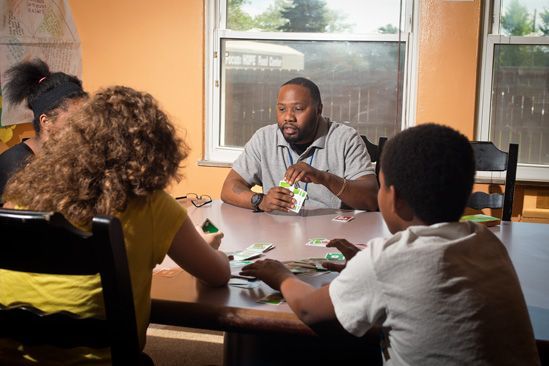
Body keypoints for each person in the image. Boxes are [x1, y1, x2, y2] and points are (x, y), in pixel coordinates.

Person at [240, 124, 540, 365]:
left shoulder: (388, 259)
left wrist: (280, 275)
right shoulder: (485, 240)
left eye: (380, 186)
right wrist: (364, 265)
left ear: (394, 199)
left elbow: (308, 310)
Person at [1, 86, 231, 364]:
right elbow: (217, 275)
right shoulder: (151, 204)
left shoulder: (23, 190)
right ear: (154, 147)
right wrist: (210, 249)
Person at [220, 77, 378, 213]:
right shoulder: (264, 138)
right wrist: (260, 201)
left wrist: (323, 177)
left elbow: (371, 199)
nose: (288, 117)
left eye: (298, 109)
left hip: (331, 234)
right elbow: (229, 188)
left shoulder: (345, 138)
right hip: (278, 232)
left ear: (318, 110)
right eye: (282, 109)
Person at [0, 58, 88, 202]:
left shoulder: (73, 156)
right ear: (46, 122)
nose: (83, 126)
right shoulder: (14, 163)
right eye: (73, 121)